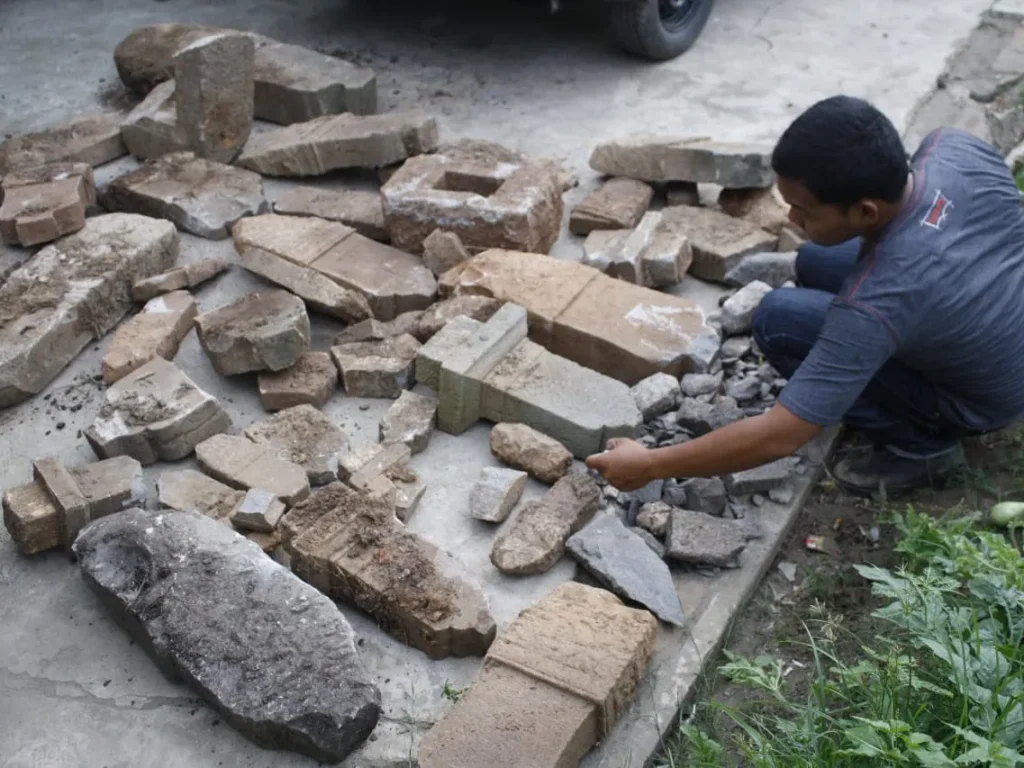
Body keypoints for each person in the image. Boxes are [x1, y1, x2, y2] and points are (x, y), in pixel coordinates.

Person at [586, 95, 1024, 497]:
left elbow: (781, 434)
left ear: (865, 210)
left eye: (804, 209)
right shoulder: (953, 149)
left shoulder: (878, 302)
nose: (790, 218)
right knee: (815, 259)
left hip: (980, 402)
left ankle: (924, 446)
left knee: (779, 320)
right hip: (999, 318)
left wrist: (649, 464)